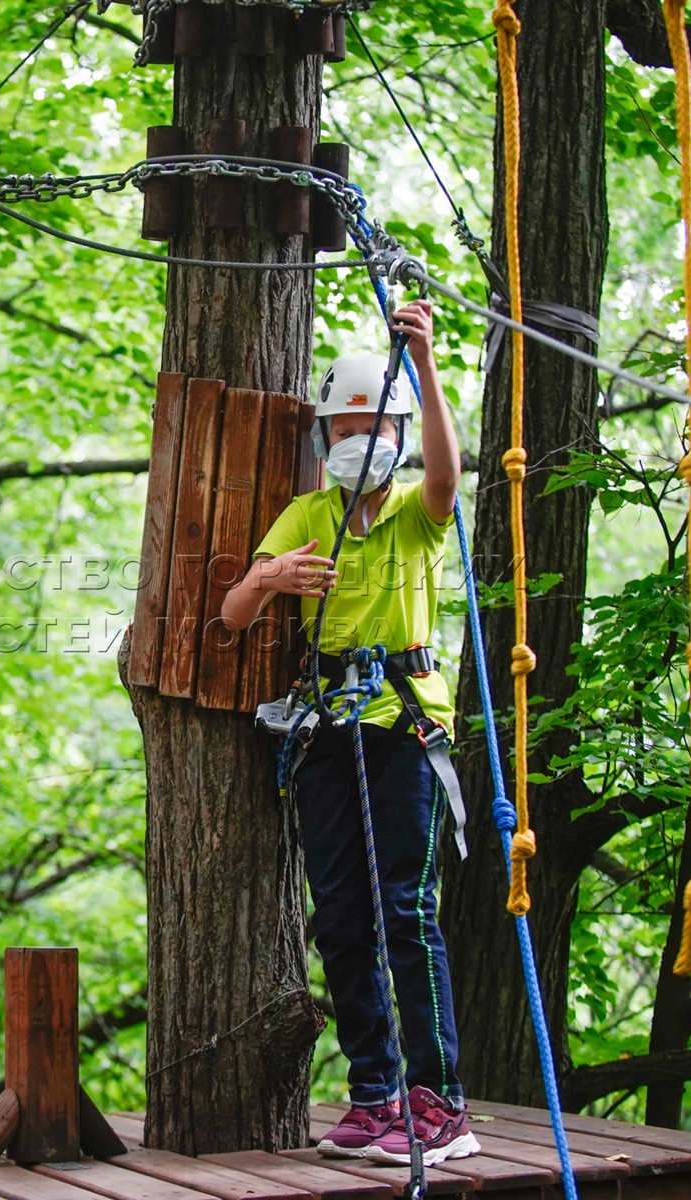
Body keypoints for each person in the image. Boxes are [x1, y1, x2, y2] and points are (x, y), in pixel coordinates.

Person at [219, 298, 478, 1166]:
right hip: (329, 729)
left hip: (404, 727)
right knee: (339, 919)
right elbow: (231, 614)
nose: (357, 439)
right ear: (326, 436)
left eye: (375, 424)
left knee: (406, 909)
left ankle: (439, 1103)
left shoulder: (415, 513)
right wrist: (273, 580)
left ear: (398, 431)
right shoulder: (305, 514)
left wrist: (427, 364)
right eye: (345, 426)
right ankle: (375, 1095)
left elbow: (447, 474)